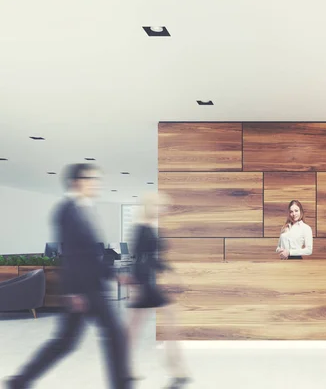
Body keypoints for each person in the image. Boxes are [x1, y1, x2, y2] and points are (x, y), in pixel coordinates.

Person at [5, 163, 131, 389]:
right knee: (68, 342)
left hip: (92, 287)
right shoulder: (67, 211)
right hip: (83, 290)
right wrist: (74, 291)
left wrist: (114, 274)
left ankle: (19, 380)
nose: (96, 184)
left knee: (78, 340)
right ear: (77, 182)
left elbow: (91, 255)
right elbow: (72, 254)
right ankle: (19, 380)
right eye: (92, 179)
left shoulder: (84, 210)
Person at [125, 192, 190, 388]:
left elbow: (156, 259)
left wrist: (172, 273)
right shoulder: (140, 228)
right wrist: (136, 286)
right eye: (161, 206)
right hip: (144, 284)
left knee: (134, 328)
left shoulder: (151, 227)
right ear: (150, 206)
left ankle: (125, 368)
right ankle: (176, 369)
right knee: (168, 322)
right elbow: (137, 258)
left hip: (148, 282)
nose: (164, 210)